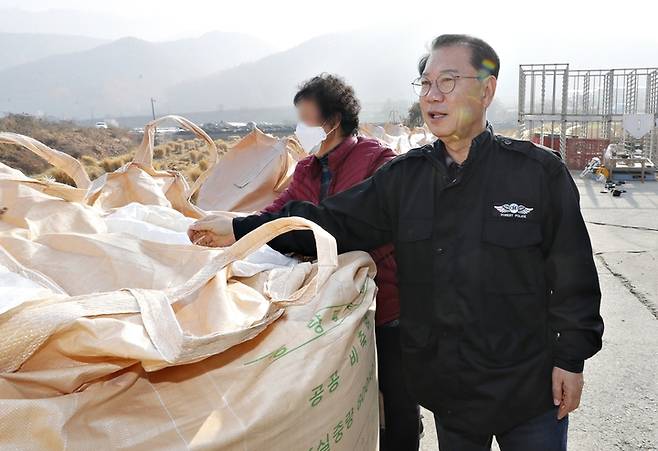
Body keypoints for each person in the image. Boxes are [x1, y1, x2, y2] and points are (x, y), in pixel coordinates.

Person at [188, 34, 604, 451]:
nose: (432, 96)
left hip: (528, 387)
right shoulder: (405, 179)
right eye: (424, 84)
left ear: (486, 89)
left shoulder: (537, 173)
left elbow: (572, 275)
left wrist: (571, 360)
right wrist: (244, 229)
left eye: (447, 81)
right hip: (451, 391)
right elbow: (332, 221)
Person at [193, 73, 421, 450]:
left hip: (385, 306)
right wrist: (234, 231)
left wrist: (243, 227)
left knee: (397, 397)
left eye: (306, 119)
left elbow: (343, 224)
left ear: (331, 122)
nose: (300, 130)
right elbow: (279, 215)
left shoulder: (379, 163)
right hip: (332, 309)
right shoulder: (306, 170)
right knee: (353, 392)